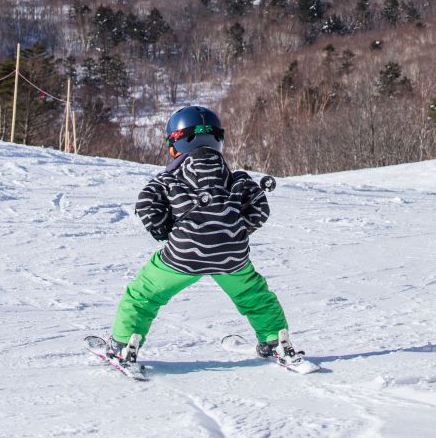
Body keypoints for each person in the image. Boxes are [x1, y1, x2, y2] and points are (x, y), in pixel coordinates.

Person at [106, 104, 296, 368]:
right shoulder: (235, 178)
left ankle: (123, 344)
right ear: (218, 141)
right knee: (254, 295)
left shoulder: (167, 179)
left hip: (183, 254)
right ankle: (276, 340)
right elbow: (259, 208)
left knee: (144, 295)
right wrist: (237, 228)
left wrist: (164, 230)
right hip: (232, 254)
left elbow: (148, 205)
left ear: (175, 146)